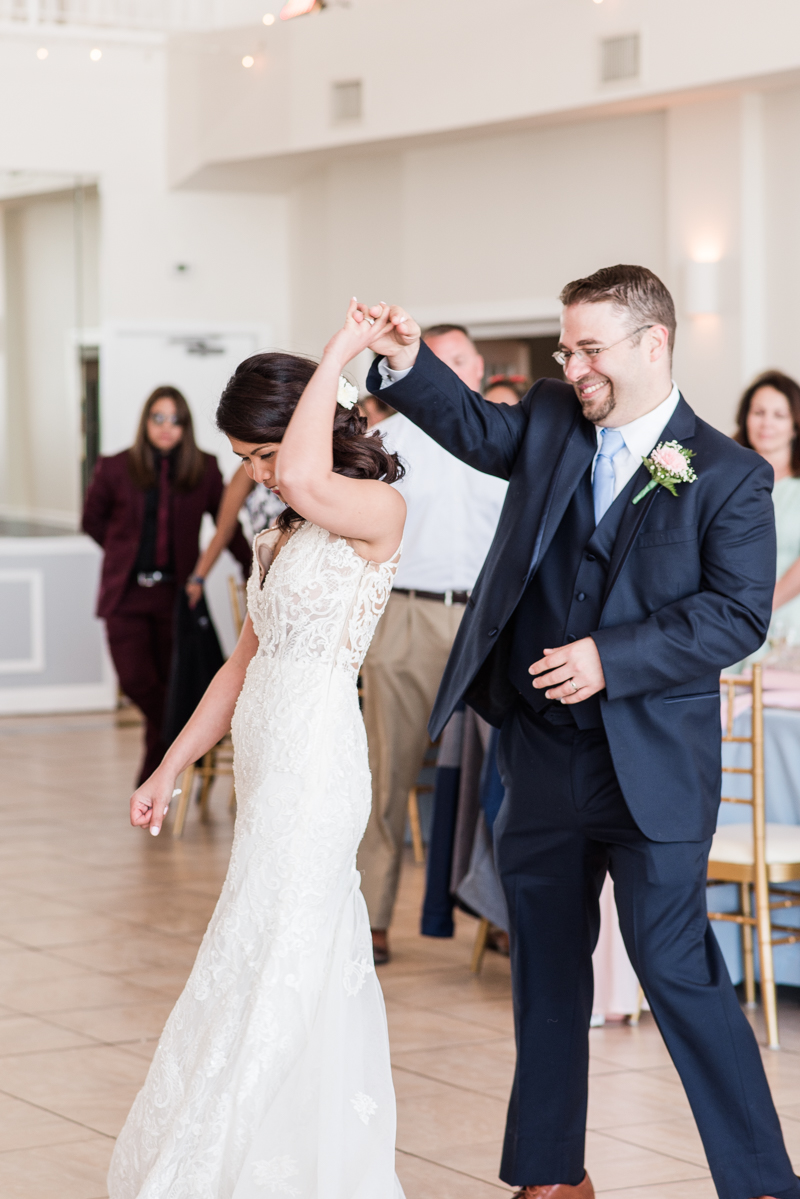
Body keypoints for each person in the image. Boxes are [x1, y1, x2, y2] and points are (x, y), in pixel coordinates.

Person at [359, 268, 797, 1199]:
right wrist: (406, 363)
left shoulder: (728, 474)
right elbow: (478, 428)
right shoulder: (556, 418)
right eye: (567, 347)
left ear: (654, 344)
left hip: (655, 770)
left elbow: (737, 616)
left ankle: (762, 1180)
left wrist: (613, 655)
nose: (573, 364)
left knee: (677, 970)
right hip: (542, 753)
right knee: (546, 972)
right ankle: (551, 1177)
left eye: (590, 348)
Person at [107, 300, 407, 1198]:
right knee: (255, 941)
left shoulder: (373, 509)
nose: (262, 478)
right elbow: (240, 666)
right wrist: (168, 765)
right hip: (268, 755)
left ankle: (251, 1159)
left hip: (318, 758)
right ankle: (267, 1149)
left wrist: (341, 351)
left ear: (312, 425)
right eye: (246, 463)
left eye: (265, 455)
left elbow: (312, 476)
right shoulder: (278, 532)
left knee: (290, 944)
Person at [356, 322, 508, 964]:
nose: (451, 371)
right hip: (407, 618)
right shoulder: (386, 442)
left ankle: (499, 915)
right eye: (436, 362)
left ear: (476, 368)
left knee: (505, 775)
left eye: (461, 360)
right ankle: (373, 917)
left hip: (489, 624)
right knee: (385, 776)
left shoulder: (513, 443)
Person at [82, 386, 250, 784]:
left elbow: (228, 527)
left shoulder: (204, 469)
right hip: (125, 596)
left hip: (176, 598)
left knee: (174, 683)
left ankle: (153, 778)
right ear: (145, 422)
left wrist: (254, 566)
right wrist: (123, 552)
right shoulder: (115, 467)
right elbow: (92, 521)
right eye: (158, 418)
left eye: (176, 420)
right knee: (138, 681)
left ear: (186, 427)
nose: (166, 428)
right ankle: (194, 747)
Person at [734, 370, 800, 654]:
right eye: (758, 412)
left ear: (795, 425)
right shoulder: (726, 482)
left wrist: (760, 607)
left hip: (787, 620)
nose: (766, 423)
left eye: (779, 415)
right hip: (730, 616)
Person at [185, 464, 284, 608]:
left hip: (312, 564)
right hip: (267, 572)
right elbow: (224, 530)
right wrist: (198, 578)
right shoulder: (249, 470)